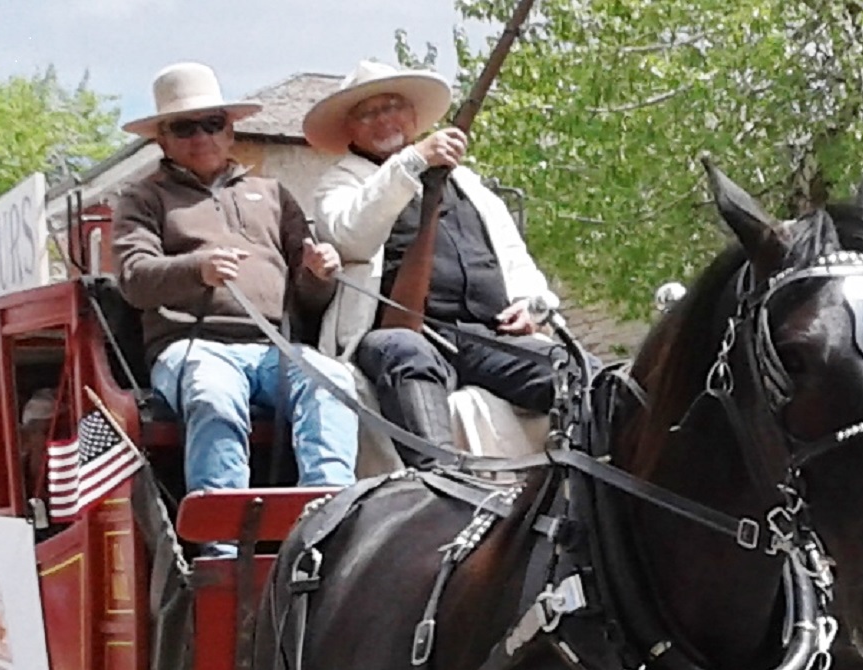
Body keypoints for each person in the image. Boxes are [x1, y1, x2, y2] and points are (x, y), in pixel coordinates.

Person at [113, 62, 359, 497]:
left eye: (213, 123)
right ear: (162, 139)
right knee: (214, 394)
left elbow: (309, 296)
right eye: (185, 128)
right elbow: (134, 279)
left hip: (274, 349)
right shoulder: (143, 198)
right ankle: (220, 545)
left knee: (334, 381)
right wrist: (197, 269)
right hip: (192, 347)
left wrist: (318, 275)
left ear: (229, 131)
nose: (202, 136)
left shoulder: (273, 194)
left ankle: (331, 518)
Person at [304, 59, 563, 455]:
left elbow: (512, 256)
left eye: (393, 107)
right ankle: (437, 485)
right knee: (406, 354)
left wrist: (531, 305)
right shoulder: (340, 184)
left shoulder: (467, 182)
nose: (384, 119)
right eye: (369, 112)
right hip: (399, 335)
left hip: (485, 335)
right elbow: (350, 235)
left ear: (412, 115)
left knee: (571, 372)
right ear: (350, 129)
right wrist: (413, 162)